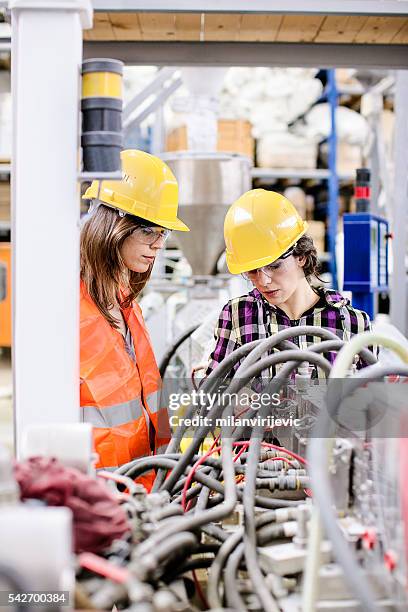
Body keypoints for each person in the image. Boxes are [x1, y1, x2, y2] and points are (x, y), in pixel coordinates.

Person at [80, 149, 189, 479]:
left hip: (144, 486)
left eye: (162, 233)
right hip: (100, 492)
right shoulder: (69, 313)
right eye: (148, 231)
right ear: (113, 225)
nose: (158, 245)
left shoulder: (126, 305)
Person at [206, 189, 371, 380]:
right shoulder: (238, 315)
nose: (263, 281)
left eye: (275, 266)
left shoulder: (352, 323)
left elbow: (373, 403)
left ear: (301, 255)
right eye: (252, 271)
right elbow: (210, 399)